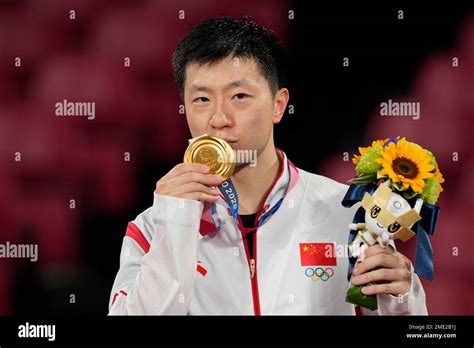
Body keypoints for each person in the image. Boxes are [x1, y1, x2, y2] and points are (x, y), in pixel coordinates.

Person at [108, 17, 427, 315]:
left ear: (278, 104)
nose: (219, 119)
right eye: (202, 100)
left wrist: (402, 298)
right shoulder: (151, 228)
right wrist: (174, 224)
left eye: (240, 96)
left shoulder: (348, 213)